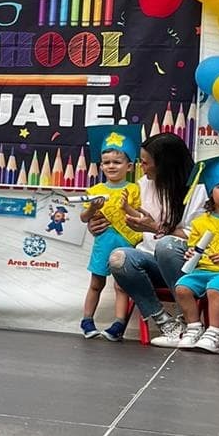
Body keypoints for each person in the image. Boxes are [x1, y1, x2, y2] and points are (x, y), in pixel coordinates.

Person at [154, 152, 219, 354]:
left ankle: (214, 334)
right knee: (183, 287)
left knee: (214, 287)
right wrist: (191, 254)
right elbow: (195, 249)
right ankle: (194, 328)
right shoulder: (201, 222)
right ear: (211, 192)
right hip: (204, 270)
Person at [105, 132, 200, 342]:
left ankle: (189, 320)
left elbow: (198, 237)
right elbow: (141, 219)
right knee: (118, 258)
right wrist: (104, 219)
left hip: (185, 264)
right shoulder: (143, 183)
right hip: (152, 262)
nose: (143, 167)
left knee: (166, 245)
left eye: (146, 163)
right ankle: (165, 322)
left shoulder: (197, 188)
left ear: (165, 164)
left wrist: (155, 227)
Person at [77, 124, 141, 341]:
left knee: (121, 285)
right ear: (100, 166)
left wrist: (127, 208)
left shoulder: (134, 190)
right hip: (103, 242)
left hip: (125, 242)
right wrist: (93, 208)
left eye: (117, 162)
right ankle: (87, 320)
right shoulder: (94, 191)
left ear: (129, 166)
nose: (111, 166)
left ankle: (119, 323)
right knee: (96, 283)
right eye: (106, 163)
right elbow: (84, 218)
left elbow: (138, 217)